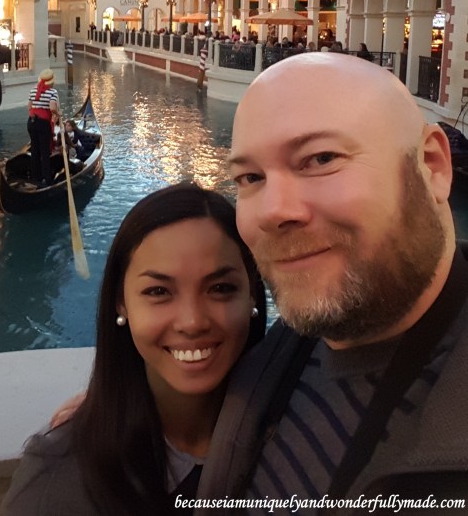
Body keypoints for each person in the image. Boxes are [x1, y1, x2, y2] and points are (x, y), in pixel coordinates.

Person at [196, 53, 468, 508]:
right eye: (250, 177)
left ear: (432, 165)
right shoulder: (275, 357)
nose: (274, 211)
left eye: (321, 159)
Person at [0, 183, 267, 515]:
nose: (192, 322)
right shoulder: (56, 483)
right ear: (121, 303)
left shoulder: (294, 416)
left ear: (252, 294)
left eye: (221, 288)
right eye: (158, 292)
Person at [27, 69, 60, 187]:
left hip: (31, 122)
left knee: (35, 150)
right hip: (43, 124)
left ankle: (35, 178)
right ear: (52, 82)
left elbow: (29, 107)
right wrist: (58, 114)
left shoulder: (33, 90)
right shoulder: (53, 92)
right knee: (45, 152)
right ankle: (47, 179)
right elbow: (52, 108)